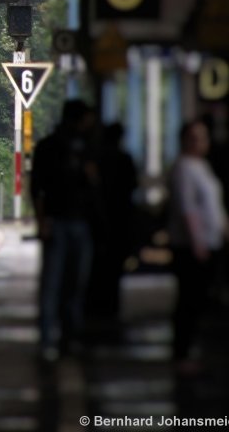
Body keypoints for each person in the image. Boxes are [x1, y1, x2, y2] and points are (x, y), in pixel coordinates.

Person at [166, 118, 229, 376]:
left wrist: (227, 232)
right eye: (195, 137)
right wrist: (197, 242)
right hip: (191, 246)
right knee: (189, 299)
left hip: (211, 241)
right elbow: (188, 209)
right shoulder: (183, 168)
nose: (201, 142)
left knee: (199, 300)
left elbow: (214, 208)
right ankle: (181, 352)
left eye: (204, 136)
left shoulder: (202, 166)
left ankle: (190, 349)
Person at [30, 99, 100, 361]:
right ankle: (61, 338)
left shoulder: (54, 147)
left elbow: (36, 189)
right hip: (64, 222)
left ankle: (58, 338)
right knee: (66, 283)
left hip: (69, 222)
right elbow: (38, 188)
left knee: (62, 283)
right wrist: (42, 220)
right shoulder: (57, 148)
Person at [88, 122, 139, 323]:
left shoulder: (97, 160)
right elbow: (133, 186)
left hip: (100, 218)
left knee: (99, 265)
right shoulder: (125, 159)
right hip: (120, 219)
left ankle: (97, 305)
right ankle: (112, 307)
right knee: (115, 267)